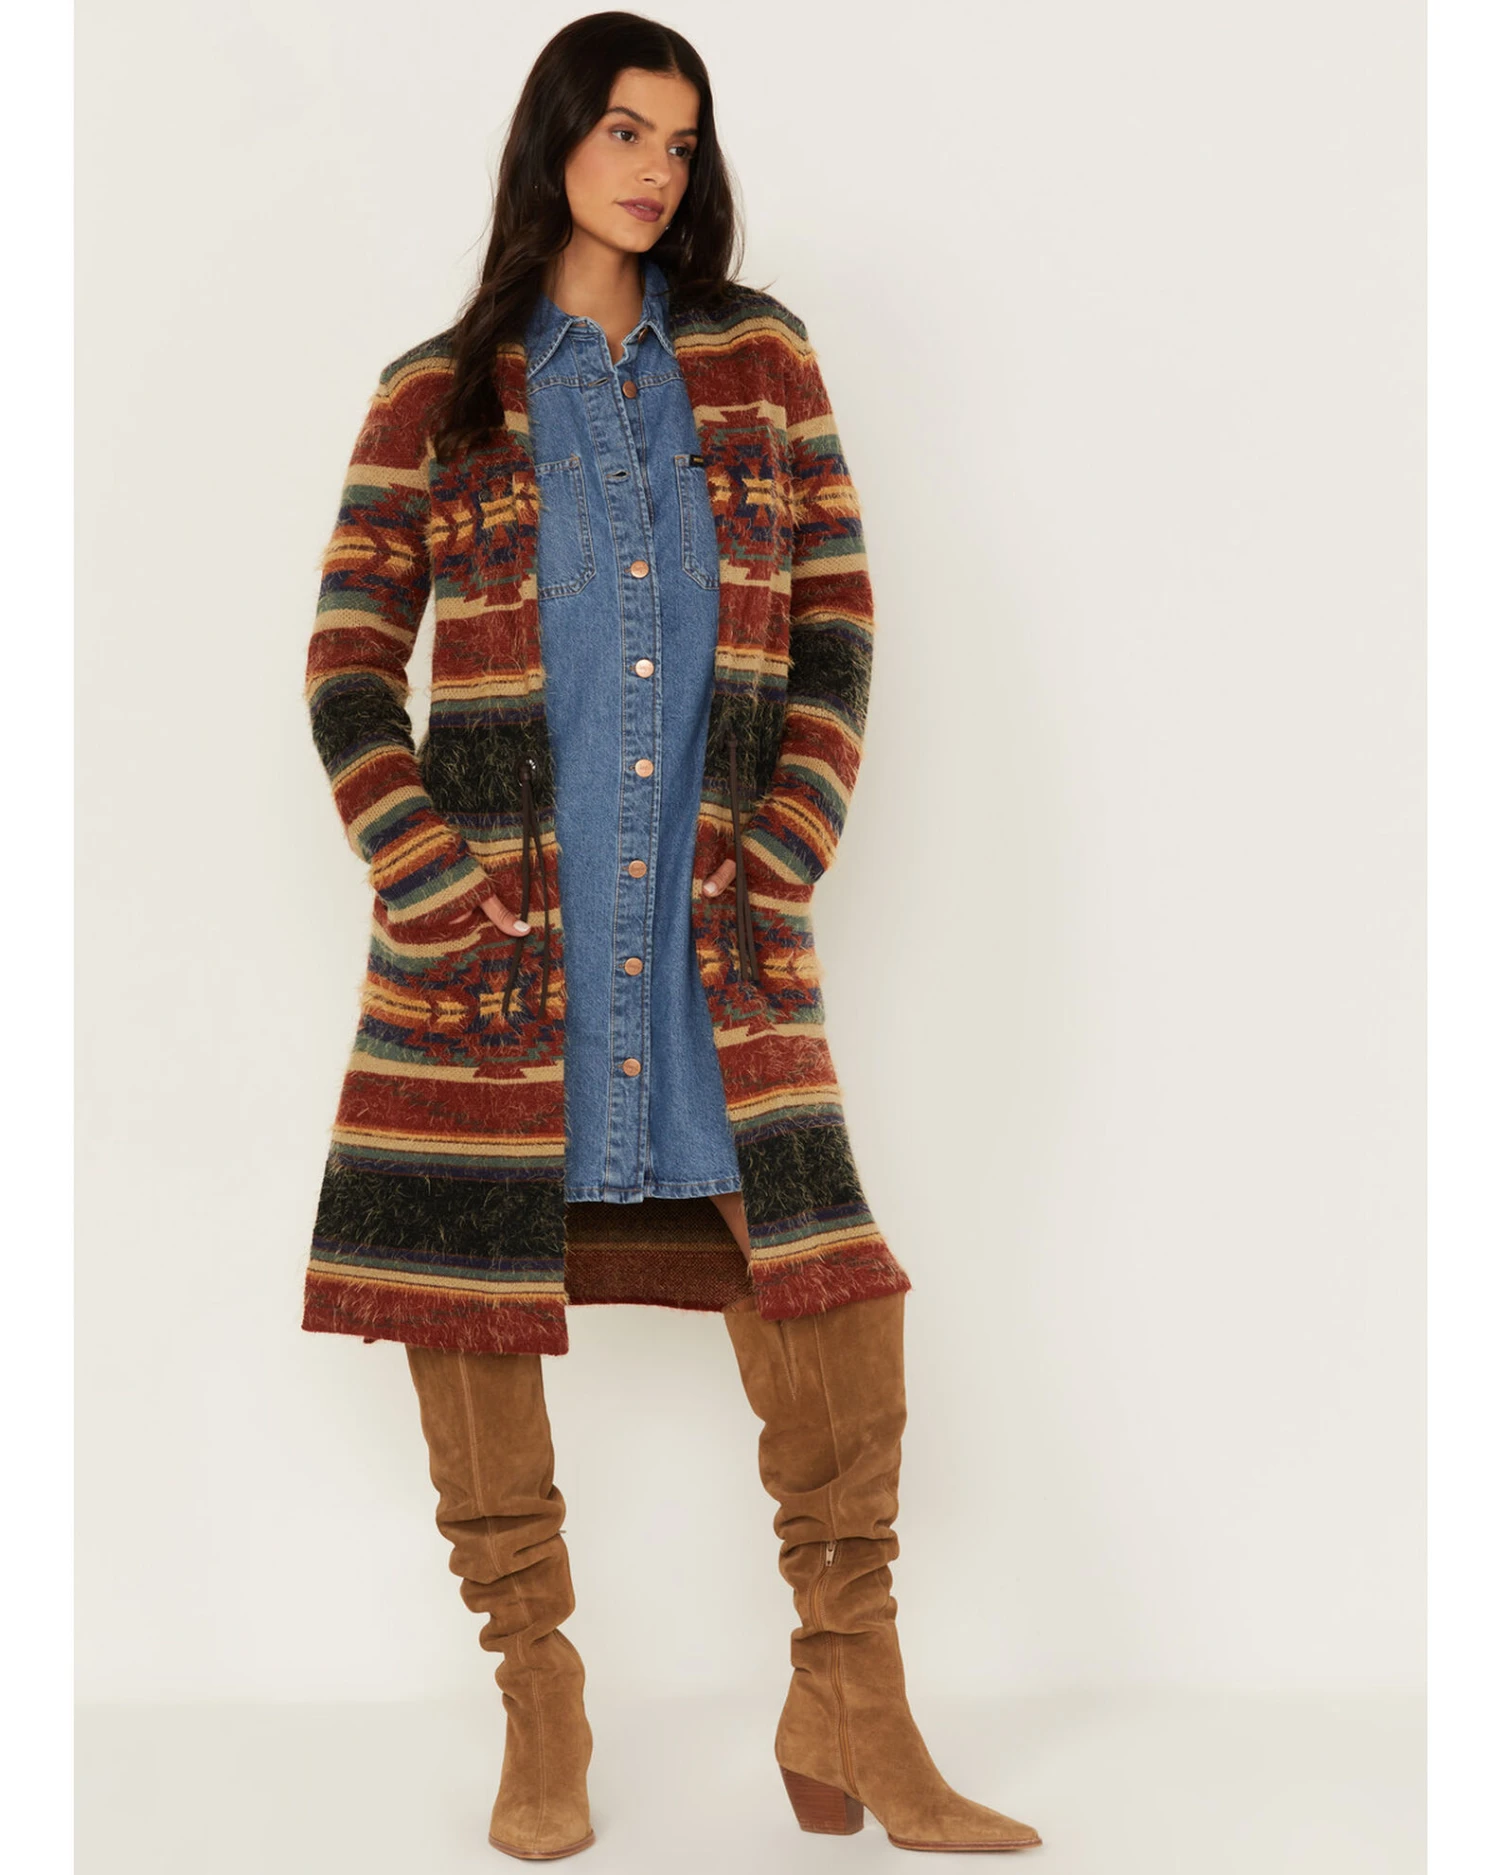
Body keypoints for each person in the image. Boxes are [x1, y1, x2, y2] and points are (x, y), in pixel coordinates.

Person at [300, 9, 1041, 1860]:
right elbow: (345, 666)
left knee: (833, 1296)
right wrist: (430, 878)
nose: (655, 168)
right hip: (496, 961)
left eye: (682, 141)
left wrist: (787, 848)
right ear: (554, 137)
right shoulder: (434, 396)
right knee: (470, 1304)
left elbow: (840, 625)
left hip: (716, 940)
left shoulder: (760, 364)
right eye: (624, 129)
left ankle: (851, 1687)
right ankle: (537, 1693)